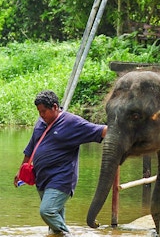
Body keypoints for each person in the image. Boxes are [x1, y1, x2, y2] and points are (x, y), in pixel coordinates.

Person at [15, 90, 108, 236]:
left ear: (55, 107)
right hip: (42, 178)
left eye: (44, 111)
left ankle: (67, 234)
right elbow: (30, 149)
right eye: (39, 111)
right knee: (53, 223)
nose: (41, 115)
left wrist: (128, 130)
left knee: (47, 211)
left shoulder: (72, 123)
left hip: (62, 178)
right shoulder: (40, 123)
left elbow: (102, 131)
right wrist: (20, 172)